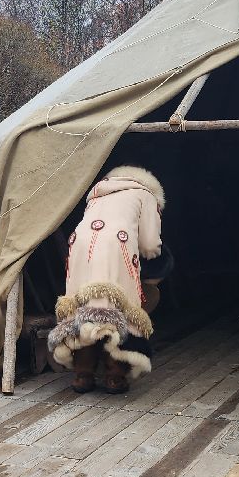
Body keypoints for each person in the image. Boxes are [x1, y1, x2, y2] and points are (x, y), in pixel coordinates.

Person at [49, 166, 165, 394]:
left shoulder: (98, 193)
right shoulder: (146, 194)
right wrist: (149, 255)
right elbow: (150, 244)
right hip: (117, 247)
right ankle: (115, 375)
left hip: (80, 246)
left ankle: (83, 375)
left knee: (84, 309)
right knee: (117, 310)